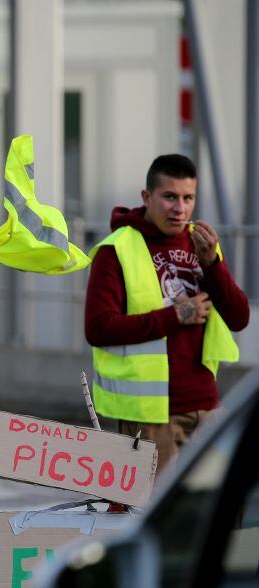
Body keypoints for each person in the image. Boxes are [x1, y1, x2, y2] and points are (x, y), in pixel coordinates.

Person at [85, 154, 250, 473]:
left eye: (188, 198)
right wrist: (175, 316)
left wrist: (213, 267)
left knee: (215, 518)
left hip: (206, 407)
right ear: (147, 197)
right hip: (149, 419)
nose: (180, 208)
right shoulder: (115, 249)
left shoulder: (202, 244)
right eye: (170, 197)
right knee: (158, 519)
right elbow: (98, 328)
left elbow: (239, 317)